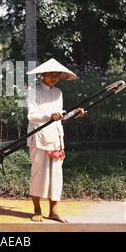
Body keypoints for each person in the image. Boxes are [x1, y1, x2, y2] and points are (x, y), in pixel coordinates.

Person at [26, 58, 86, 223]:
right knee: (38, 173)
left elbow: (61, 115)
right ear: (42, 75)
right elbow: (31, 116)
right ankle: (37, 209)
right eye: (51, 75)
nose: (54, 78)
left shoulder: (58, 93)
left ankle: (54, 211)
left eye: (56, 76)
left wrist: (75, 113)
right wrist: (49, 116)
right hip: (38, 136)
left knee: (56, 175)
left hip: (56, 137)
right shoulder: (33, 91)